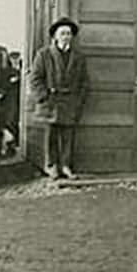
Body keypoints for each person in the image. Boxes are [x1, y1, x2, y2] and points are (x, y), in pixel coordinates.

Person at [30, 17, 89, 180]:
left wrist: (79, 100)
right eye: (62, 33)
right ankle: (51, 166)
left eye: (69, 33)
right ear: (55, 36)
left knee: (68, 136)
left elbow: (85, 82)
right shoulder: (44, 54)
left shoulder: (78, 57)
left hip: (70, 102)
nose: (66, 36)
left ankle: (66, 166)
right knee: (51, 136)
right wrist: (44, 97)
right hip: (51, 101)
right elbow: (35, 79)